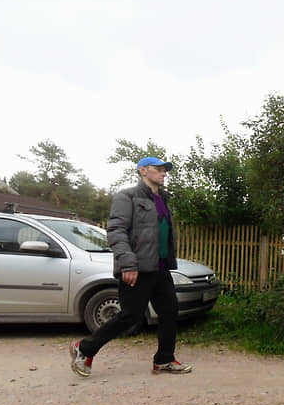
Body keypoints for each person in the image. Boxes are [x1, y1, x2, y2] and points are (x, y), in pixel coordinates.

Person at [69, 157, 192, 377]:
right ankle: (84, 349)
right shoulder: (127, 197)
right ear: (143, 171)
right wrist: (128, 264)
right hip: (138, 267)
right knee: (130, 315)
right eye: (158, 170)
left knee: (169, 311)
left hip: (161, 267)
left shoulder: (162, 199)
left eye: (165, 170)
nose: (163, 174)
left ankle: (164, 360)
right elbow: (116, 230)